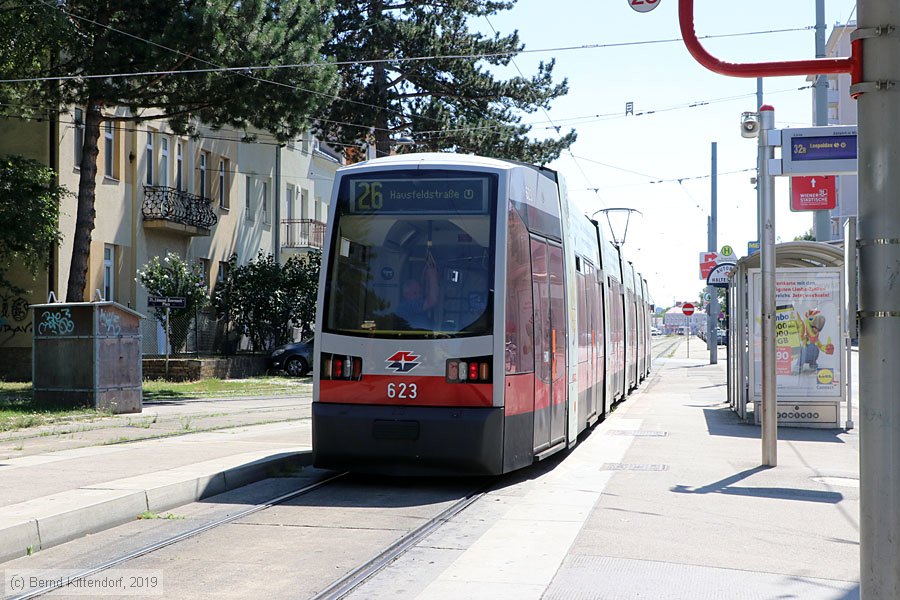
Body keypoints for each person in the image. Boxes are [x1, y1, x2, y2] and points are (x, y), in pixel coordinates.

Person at [396, 260, 439, 329]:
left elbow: (429, 297)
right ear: (406, 294)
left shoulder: (415, 306)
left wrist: (428, 278)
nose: (419, 296)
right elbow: (432, 301)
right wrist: (432, 275)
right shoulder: (406, 306)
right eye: (415, 293)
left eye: (420, 293)